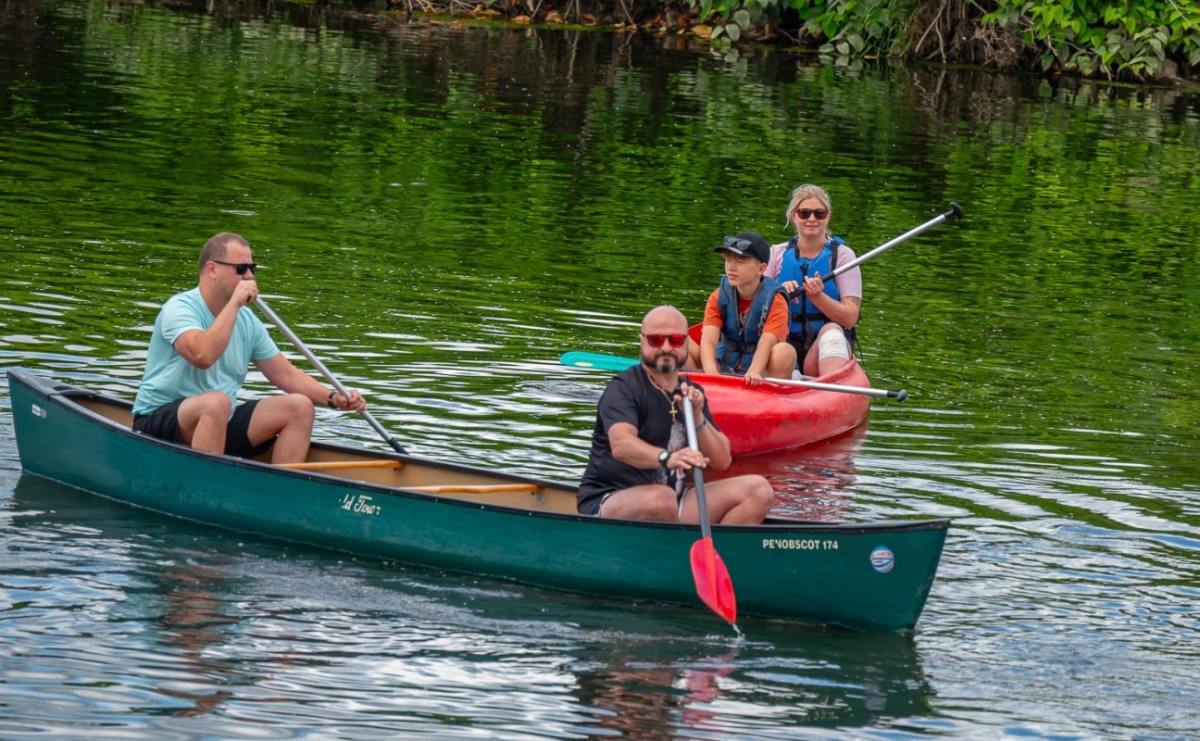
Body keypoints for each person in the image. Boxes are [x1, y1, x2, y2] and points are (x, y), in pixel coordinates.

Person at [132, 232, 367, 465]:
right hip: (157, 422)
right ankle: (209, 483)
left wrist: (333, 398)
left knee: (300, 406)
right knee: (217, 403)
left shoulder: (247, 321)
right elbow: (202, 355)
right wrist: (234, 303)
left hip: (220, 419)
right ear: (212, 269)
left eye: (252, 268)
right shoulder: (179, 309)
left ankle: (279, 485)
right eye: (241, 269)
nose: (249, 276)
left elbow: (286, 375)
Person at [576, 305, 775, 523]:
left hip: (673, 501)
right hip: (611, 500)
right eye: (656, 340)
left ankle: (713, 546)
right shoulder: (624, 389)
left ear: (687, 343)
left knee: (759, 490)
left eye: (676, 341)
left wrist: (698, 416)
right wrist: (668, 458)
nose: (666, 348)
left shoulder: (691, 392)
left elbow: (722, 460)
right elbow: (621, 445)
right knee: (661, 500)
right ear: (642, 341)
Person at [765, 184, 862, 377]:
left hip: (820, 350)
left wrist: (818, 297)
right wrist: (779, 292)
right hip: (782, 345)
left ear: (828, 217)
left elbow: (850, 318)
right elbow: (754, 304)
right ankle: (787, 377)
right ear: (793, 216)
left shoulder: (843, 257)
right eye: (804, 213)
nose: (812, 219)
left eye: (819, 213)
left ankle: (828, 387)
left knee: (832, 332)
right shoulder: (775, 253)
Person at [687, 231, 797, 386]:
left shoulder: (776, 301)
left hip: (759, 372)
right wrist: (711, 372)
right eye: (728, 260)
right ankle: (697, 388)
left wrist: (753, 372)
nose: (731, 267)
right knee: (678, 340)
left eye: (740, 261)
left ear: (760, 269)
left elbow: (766, 343)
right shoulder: (718, 296)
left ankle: (763, 393)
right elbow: (709, 340)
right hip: (723, 364)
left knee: (785, 351)